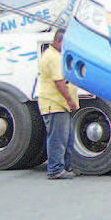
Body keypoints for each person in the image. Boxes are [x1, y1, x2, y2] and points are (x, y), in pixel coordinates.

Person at [38, 28, 79, 179]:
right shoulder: (54, 57)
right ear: (59, 41)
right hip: (55, 105)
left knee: (66, 139)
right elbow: (59, 82)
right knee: (58, 139)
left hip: (60, 105)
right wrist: (70, 100)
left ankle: (65, 168)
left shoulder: (54, 55)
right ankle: (55, 170)